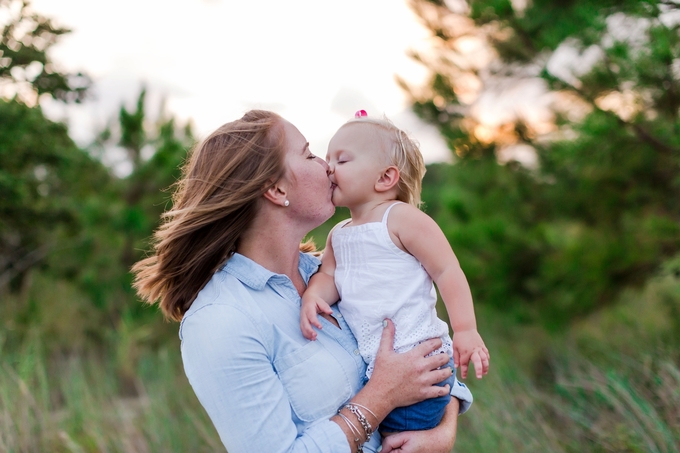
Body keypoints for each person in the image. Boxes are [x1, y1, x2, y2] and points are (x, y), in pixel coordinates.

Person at [131, 110, 473, 453]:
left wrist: (444, 432)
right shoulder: (221, 321)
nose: (327, 166)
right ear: (276, 189)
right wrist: (381, 396)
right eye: (309, 154)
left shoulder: (336, 271)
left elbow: (423, 341)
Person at [300, 112, 489, 435]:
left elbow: (446, 270)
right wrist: (314, 296)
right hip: (378, 372)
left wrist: (466, 329)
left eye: (342, 160)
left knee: (400, 435)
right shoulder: (339, 233)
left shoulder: (401, 219)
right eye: (328, 158)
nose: (328, 167)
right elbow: (329, 276)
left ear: (385, 178)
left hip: (419, 360)